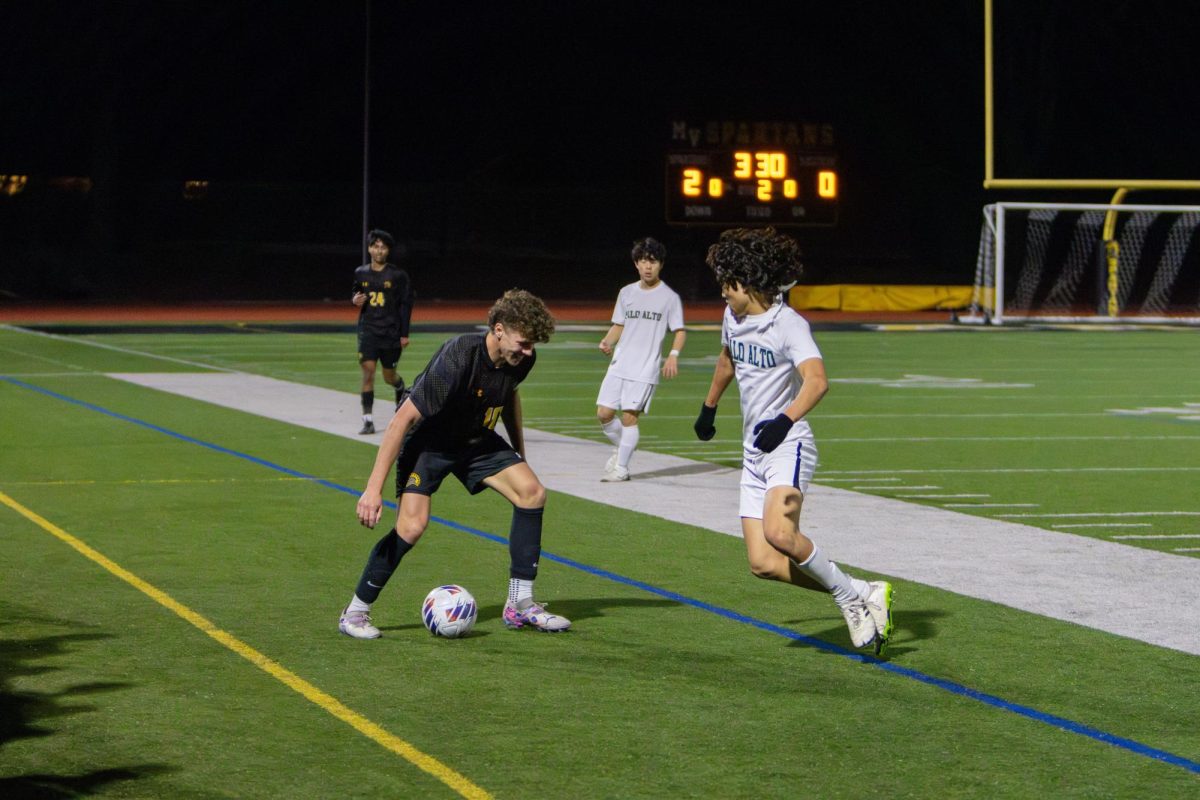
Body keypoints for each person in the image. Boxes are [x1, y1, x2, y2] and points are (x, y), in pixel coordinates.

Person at [693, 227, 895, 655]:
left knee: (780, 534)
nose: (722, 294)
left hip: (788, 444)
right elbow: (727, 359)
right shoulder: (733, 316)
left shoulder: (789, 325)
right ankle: (861, 589)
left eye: (727, 285)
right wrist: (708, 408)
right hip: (752, 453)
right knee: (763, 564)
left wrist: (784, 421)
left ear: (746, 284)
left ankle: (847, 598)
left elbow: (817, 381)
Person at [339, 289, 571, 639]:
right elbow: (401, 422)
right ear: (497, 329)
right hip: (430, 444)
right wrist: (373, 490)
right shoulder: (459, 357)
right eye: (522, 343)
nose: (528, 352)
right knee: (412, 527)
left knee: (532, 493)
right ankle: (355, 613)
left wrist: (519, 451)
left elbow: (508, 394)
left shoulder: (521, 359)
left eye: (532, 345)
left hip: (476, 439)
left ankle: (520, 606)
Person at [595, 237, 687, 481]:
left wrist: (673, 356)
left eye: (653, 262)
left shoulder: (669, 297)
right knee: (604, 413)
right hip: (620, 363)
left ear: (661, 265)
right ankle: (622, 448)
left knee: (629, 417)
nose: (648, 267)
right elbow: (619, 325)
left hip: (645, 368)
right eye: (644, 261)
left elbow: (679, 330)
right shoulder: (626, 293)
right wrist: (607, 342)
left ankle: (622, 469)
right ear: (636, 264)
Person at [352, 229, 414, 435]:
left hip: (390, 333)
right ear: (369, 249)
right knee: (368, 372)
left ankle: (399, 387)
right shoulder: (360, 272)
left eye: (383, 247)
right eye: (375, 246)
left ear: (388, 251)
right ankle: (367, 420)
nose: (379, 251)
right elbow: (356, 292)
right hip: (368, 331)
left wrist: (404, 333)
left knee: (389, 376)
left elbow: (406, 304)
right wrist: (355, 300)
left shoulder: (397, 275)